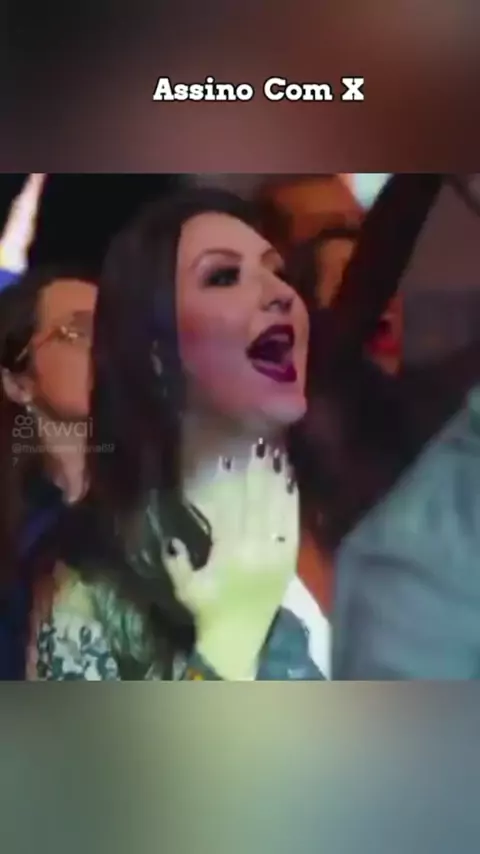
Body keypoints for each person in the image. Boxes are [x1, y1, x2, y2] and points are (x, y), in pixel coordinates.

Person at [28, 187, 333, 681]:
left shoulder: (363, 505)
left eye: (281, 273)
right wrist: (226, 647)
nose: (280, 293)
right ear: (155, 351)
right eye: (223, 276)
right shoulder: (96, 591)